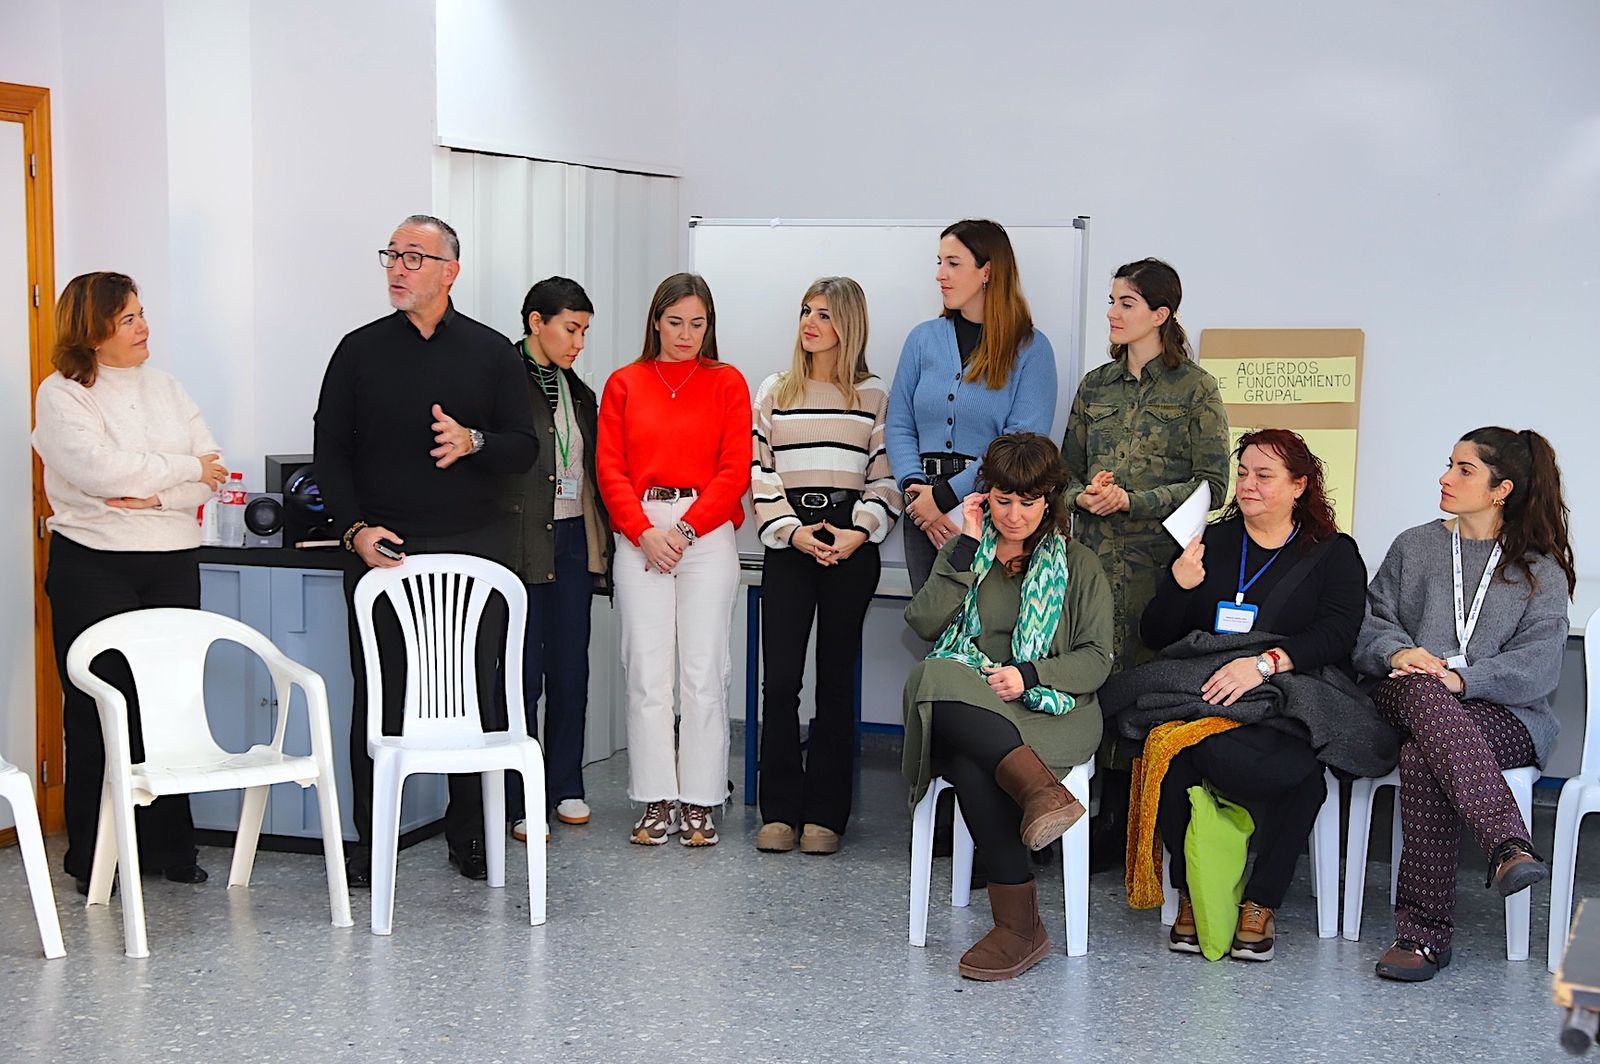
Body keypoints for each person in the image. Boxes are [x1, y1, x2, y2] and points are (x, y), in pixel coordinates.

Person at [313, 214, 538, 886]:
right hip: (384, 551)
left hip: (475, 553)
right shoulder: (357, 351)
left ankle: (471, 834)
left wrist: (473, 442)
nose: (398, 268)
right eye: (392, 255)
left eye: (414, 257)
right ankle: (368, 837)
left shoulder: (494, 352)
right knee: (380, 697)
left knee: (480, 694)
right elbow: (331, 451)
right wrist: (353, 529)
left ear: (450, 271)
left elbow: (523, 449)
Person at [1131, 429, 1368, 962]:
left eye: (1265, 476)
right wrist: (1180, 585)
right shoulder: (1212, 542)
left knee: (1301, 777)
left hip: (1286, 695)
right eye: (1243, 473)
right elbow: (1157, 634)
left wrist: (1263, 665)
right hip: (1208, 693)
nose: (1248, 485)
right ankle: (1194, 894)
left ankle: (1261, 903)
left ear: (1299, 486)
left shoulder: (1334, 554)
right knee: (1173, 754)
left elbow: (1338, 635)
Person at [1355, 427, 1575, 982]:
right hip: (1407, 688)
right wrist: (1402, 651)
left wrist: (1464, 679)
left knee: (1424, 753)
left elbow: (1539, 667)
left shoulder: (1538, 571)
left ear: (1501, 489)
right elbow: (1368, 623)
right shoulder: (1415, 545)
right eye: (1448, 465)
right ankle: (1507, 844)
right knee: (1424, 691)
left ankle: (1421, 937)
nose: (1445, 478)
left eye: (1463, 470)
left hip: (1506, 715)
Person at [32, 271, 227, 894]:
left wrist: (157, 491)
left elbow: (212, 473)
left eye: (142, 314)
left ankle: (173, 847)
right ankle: (96, 855)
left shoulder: (168, 387)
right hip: (94, 562)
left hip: (171, 558)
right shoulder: (63, 394)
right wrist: (179, 474)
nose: (145, 328)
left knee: (170, 704)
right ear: (92, 333)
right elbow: (96, 469)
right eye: (129, 320)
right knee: (100, 706)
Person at [902, 433, 1113, 981]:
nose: (1014, 515)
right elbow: (924, 624)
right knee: (936, 672)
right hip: (970, 702)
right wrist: (968, 551)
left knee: (969, 753)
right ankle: (1038, 792)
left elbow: (1095, 661)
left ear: (1049, 501)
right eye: (1002, 500)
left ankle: (1019, 927)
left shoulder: (1080, 564)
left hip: (1052, 709)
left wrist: (1028, 675)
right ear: (983, 497)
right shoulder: (966, 551)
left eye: (1027, 502)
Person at [1060, 258, 1229, 866]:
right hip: (1091, 566)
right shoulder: (1094, 386)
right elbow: (1062, 476)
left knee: (1146, 690)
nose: (1112, 312)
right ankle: (1083, 816)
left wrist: (1137, 501)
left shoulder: (1196, 389)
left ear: (1161, 314)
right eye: (1110, 301)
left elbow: (1214, 486)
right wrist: (1080, 495)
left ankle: (1138, 826)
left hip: (1160, 570)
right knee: (1086, 680)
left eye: (1126, 303)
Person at [596, 273, 751, 848]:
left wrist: (684, 529)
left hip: (704, 535)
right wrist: (643, 531)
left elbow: (735, 469)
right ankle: (657, 799)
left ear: (709, 326)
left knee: (704, 672)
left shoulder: (727, 382)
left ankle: (702, 800)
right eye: (675, 321)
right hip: (641, 532)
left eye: (698, 323)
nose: (686, 334)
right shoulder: (625, 383)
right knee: (646, 673)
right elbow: (608, 469)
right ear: (656, 321)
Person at [750, 277, 901, 855]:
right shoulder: (774, 391)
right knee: (782, 679)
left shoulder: (873, 396)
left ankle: (825, 816)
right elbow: (759, 472)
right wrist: (792, 531)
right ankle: (780, 811)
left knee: (836, 682)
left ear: (850, 325)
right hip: (790, 546)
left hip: (848, 548)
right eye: (806, 311)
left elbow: (883, 475)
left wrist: (857, 531)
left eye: (826, 315)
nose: (811, 323)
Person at [886, 219, 1058, 592]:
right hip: (921, 511)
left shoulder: (1031, 348)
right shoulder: (921, 340)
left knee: (985, 628)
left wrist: (946, 497)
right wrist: (920, 497)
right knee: (933, 627)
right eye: (939, 262)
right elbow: (899, 424)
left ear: (987, 271)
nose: (939, 275)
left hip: (993, 511)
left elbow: (1020, 441)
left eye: (953, 263)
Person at [501, 277, 612, 843]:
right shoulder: (500, 377)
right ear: (535, 322)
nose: (579, 342)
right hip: (521, 543)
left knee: (572, 667)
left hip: (573, 540)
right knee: (522, 676)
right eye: (571, 328)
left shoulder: (580, 391)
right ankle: (520, 801)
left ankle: (565, 783)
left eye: (585, 331)